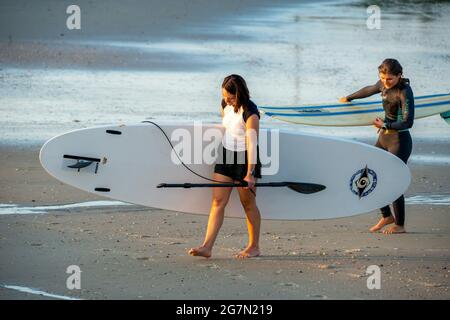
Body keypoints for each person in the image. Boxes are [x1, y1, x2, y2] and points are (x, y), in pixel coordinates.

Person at [189, 74, 262, 258]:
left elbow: (252, 144)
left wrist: (250, 173)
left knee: (248, 204)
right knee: (217, 201)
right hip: (226, 155)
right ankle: (207, 246)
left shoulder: (250, 113)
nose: (227, 100)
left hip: (245, 160)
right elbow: (227, 127)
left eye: (231, 97)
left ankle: (254, 246)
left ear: (240, 94)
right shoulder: (225, 105)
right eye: (224, 96)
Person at [340, 59, 414, 234]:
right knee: (369, 174)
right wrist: (349, 97)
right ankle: (386, 216)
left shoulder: (404, 91)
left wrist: (385, 125)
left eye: (390, 79)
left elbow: (408, 122)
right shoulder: (382, 84)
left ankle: (400, 225)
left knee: (393, 181)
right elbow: (369, 90)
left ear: (399, 76)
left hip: (399, 141)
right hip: (384, 138)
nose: (385, 83)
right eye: (382, 78)